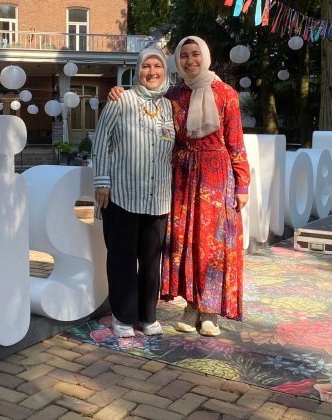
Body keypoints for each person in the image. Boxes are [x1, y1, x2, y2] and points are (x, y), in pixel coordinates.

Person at [109, 36, 250, 337]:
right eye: (183, 56)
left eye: (195, 54)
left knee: (213, 244)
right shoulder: (173, 95)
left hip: (215, 178)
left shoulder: (226, 95)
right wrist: (117, 91)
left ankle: (210, 310)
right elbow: (147, 98)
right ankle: (191, 306)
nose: (190, 61)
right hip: (182, 177)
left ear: (206, 56)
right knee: (186, 243)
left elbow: (236, 143)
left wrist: (242, 185)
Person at [92, 48, 175, 338]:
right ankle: (123, 316)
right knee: (122, 258)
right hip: (122, 195)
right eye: (146, 67)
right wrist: (102, 181)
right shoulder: (121, 100)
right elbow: (102, 142)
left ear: (165, 70)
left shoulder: (169, 107)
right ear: (137, 71)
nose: (152, 72)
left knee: (151, 259)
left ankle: (147, 315)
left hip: (158, 197)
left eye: (158, 66)